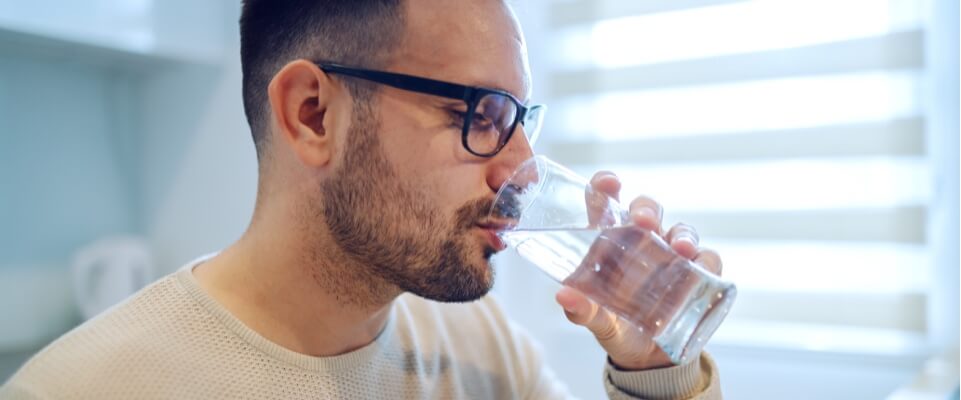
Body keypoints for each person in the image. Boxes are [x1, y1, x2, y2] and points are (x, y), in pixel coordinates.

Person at [0, 0, 725, 398]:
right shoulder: (82, 391)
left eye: (520, 121)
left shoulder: (484, 354)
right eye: (478, 115)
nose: (522, 171)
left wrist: (651, 376)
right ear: (313, 114)